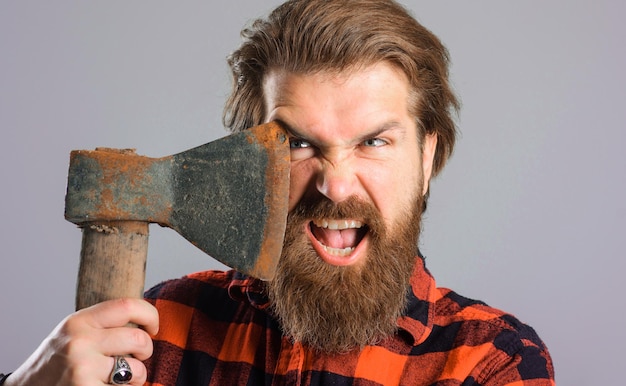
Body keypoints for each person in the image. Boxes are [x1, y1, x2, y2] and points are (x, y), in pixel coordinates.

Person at [2, 0, 554, 385]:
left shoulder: (492, 363)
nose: (335, 183)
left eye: (373, 142)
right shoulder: (157, 328)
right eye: (296, 144)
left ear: (427, 157)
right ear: (249, 159)